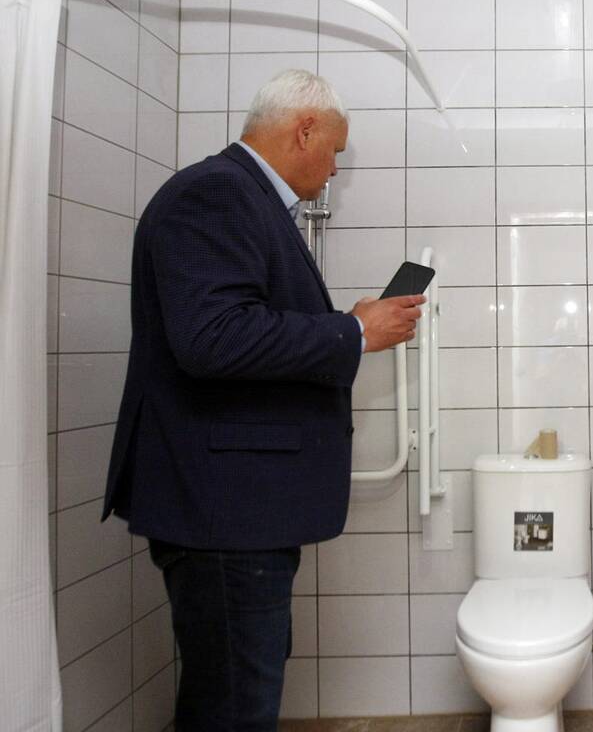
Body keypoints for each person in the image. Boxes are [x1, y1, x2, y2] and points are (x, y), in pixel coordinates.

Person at [101, 69, 423, 730]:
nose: (335, 168)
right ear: (303, 130)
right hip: (223, 509)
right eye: (334, 149)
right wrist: (354, 331)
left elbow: (232, 325)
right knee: (234, 706)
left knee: (232, 692)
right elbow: (212, 338)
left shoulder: (241, 199)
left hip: (234, 508)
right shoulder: (217, 194)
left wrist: (352, 326)